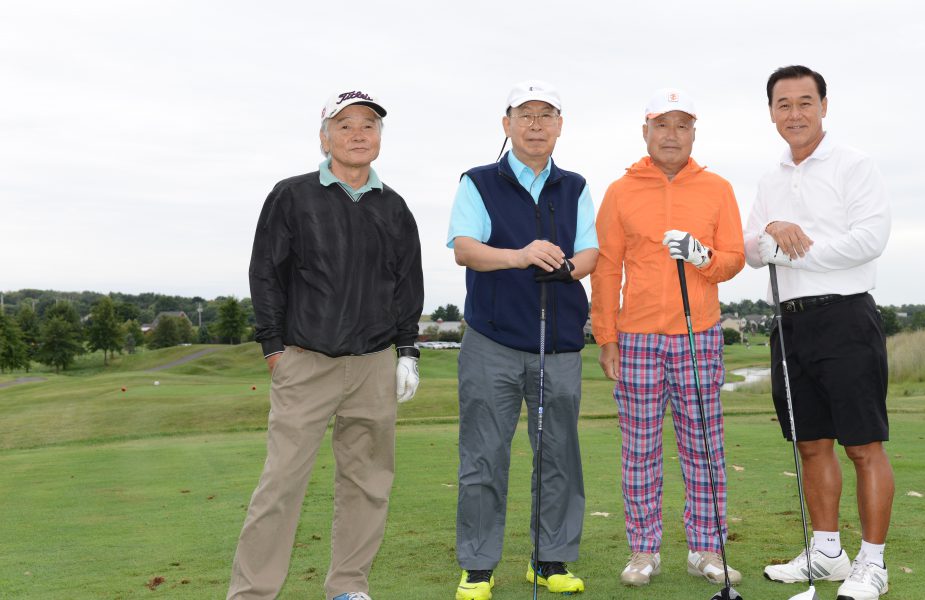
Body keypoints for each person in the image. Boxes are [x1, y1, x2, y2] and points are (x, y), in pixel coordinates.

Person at [229, 90, 424, 600]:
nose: (358, 134)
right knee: (281, 483)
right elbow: (265, 274)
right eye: (345, 125)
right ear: (324, 137)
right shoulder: (292, 196)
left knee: (367, 483)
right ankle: (252, 592)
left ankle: (348, 586)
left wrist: (407, 352)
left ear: (379, 137)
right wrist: (273, 348)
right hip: (305, 360)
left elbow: (408, 285)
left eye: (368, 125)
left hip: (373, 364)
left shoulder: (394, 207)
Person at [743, 65, 893, 600]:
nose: (795, 113)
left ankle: (873, 563)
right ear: (771, 113)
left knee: (863, 446)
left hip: (846, 317)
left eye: (805, 102)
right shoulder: (770, 179)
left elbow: (870, 239)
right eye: (783, 104)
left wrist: (792, 250)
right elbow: (749, 250)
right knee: (810, 444)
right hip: (789, 324)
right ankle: (828, 553)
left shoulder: (854, 164)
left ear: (824, 106)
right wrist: (771, 229)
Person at [447, 80, 598, 600]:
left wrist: (568, 269)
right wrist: (520, 255)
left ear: (560, 125)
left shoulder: (575, 186)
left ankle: (549, 560)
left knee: (559, 457)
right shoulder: (479, 181)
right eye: (526, 115)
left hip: (558, 344)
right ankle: (478, 566)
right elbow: (464, 248)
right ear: (507, 124)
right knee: (483, 457)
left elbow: (591, 252)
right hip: (492, 341)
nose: (536, 124)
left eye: (546, 115)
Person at [591, 88, 745, 588]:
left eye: (682, 125)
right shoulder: (621, 191)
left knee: (704, 447)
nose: (672, 135)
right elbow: (607, 268)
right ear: (646, 132)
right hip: (636, 337)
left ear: (694, 133)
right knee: (640, 450)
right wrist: (606, 336)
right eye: (662, 125)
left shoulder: (717, 188)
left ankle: (706, 548)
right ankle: (644, 550)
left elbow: (734, 258)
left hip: (698, 334)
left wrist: (702, 256)